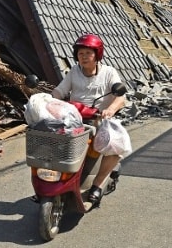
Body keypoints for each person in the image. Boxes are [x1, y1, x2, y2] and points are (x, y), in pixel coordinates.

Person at [51, 33, 127, 204]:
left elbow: (121, 98)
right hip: (74, 117)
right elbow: (59, 91)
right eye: (80, 53)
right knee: (51, 138)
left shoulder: (109, 72)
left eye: (88, 53)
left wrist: (110, 109)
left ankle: (97, 185)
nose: (84, 57)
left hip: (100, 119)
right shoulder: (74, 71)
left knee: (115, 144)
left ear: (97, 54)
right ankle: (52, 181)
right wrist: (49, 100)